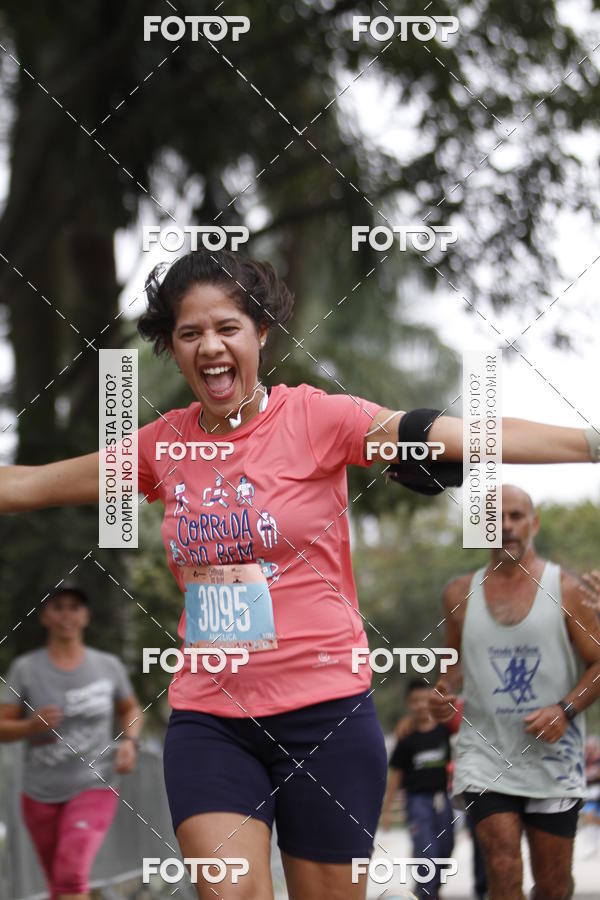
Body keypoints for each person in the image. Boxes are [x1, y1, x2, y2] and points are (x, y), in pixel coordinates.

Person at [1, 249, 599, 899]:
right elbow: (27, 484)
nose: (210, 347)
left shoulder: (317, 418)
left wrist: (591, 444)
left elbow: (458, 433)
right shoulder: (161, 447)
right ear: (171, 348)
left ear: (260, 332)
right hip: (212, 716)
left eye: (227, 327)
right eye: (190, 333)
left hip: (326, 717)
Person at [430, 484, 600, 900]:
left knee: (553, 884)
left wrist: (564, 710)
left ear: (534, 523)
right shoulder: (458, 594)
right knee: (503, 868)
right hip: (484, 754)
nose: (504, 527)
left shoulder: (570, 590)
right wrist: (443, 692)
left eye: (516, 516)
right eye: (493, 518)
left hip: (552, 759)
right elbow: (452, 666)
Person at [0, 583, 142, 900]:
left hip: (95, 782)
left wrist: (130, 741)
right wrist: (29, 726)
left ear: (86, 616)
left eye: (74, 607)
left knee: (71, 872)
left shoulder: (108, 666)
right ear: (44, 617)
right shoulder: (26, 669)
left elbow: (130, 707)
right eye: (58, 607)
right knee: (59, 884)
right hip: (40, 792)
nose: (66, 614)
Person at [381, 679, 454, 899]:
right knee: (426, 851)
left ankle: (433, 889)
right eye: (415, 701)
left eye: (425, 699)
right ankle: (425, 893)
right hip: (416, 802)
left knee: (445, 849)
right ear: (407, 704)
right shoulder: (406, 738)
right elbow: (396, 774)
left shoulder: (445, 731)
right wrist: (386, 809)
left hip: (443, 799)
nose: (421, 705)